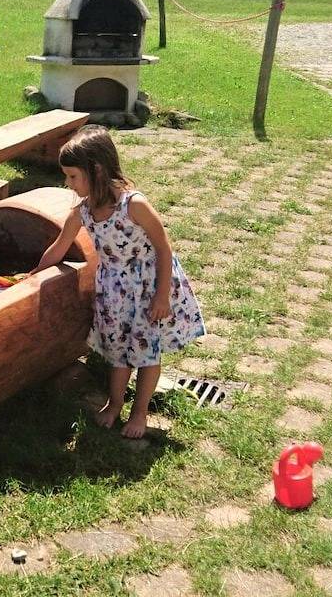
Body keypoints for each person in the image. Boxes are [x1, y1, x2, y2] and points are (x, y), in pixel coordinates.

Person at [31, 125, 205, 438]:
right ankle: (114, 405)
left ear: (95, 170)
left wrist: (162, 295)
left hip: (149, 287)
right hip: (114, 291)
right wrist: (31, 277)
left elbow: (164, 246)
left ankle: (139, 414)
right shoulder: (82, 211)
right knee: (117, 349)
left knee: (147, 351)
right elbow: (58, 247)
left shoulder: (133, 205)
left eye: (72, 176)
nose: (67, 183)